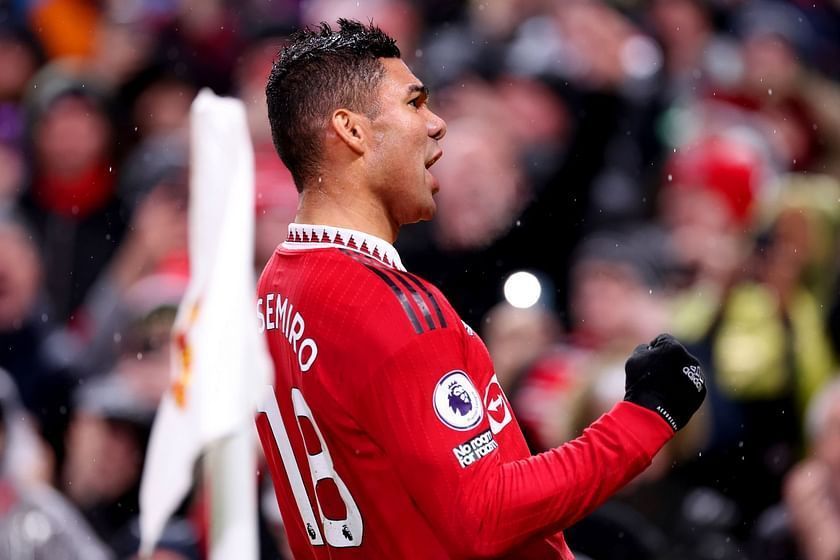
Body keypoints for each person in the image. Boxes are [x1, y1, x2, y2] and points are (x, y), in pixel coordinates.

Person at [255, 19, 706, 559]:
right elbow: (487, 515)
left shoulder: (276, 287)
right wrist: (644, 417)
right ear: (352, 130)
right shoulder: (394, 309)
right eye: (416, 104)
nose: (437, 124)